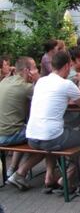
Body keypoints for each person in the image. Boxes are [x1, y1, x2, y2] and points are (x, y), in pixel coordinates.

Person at [25, 51, 80, 192]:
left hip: (31, 137)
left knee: (56, 133)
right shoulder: (66, 84)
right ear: (68, 66)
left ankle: (49, 177)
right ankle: (67, 178)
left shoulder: (41, 81)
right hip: (50, 138)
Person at [0, 57, 41, 187]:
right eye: (35, 68)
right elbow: (46, 96)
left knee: (25, 128)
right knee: (45, 138)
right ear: (27, 71)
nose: (37, 70)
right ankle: (20, 174)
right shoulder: (26, 87)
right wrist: (38, 79)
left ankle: (12, 169)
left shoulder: (5, 81)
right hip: (9, 136)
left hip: (3, 133)